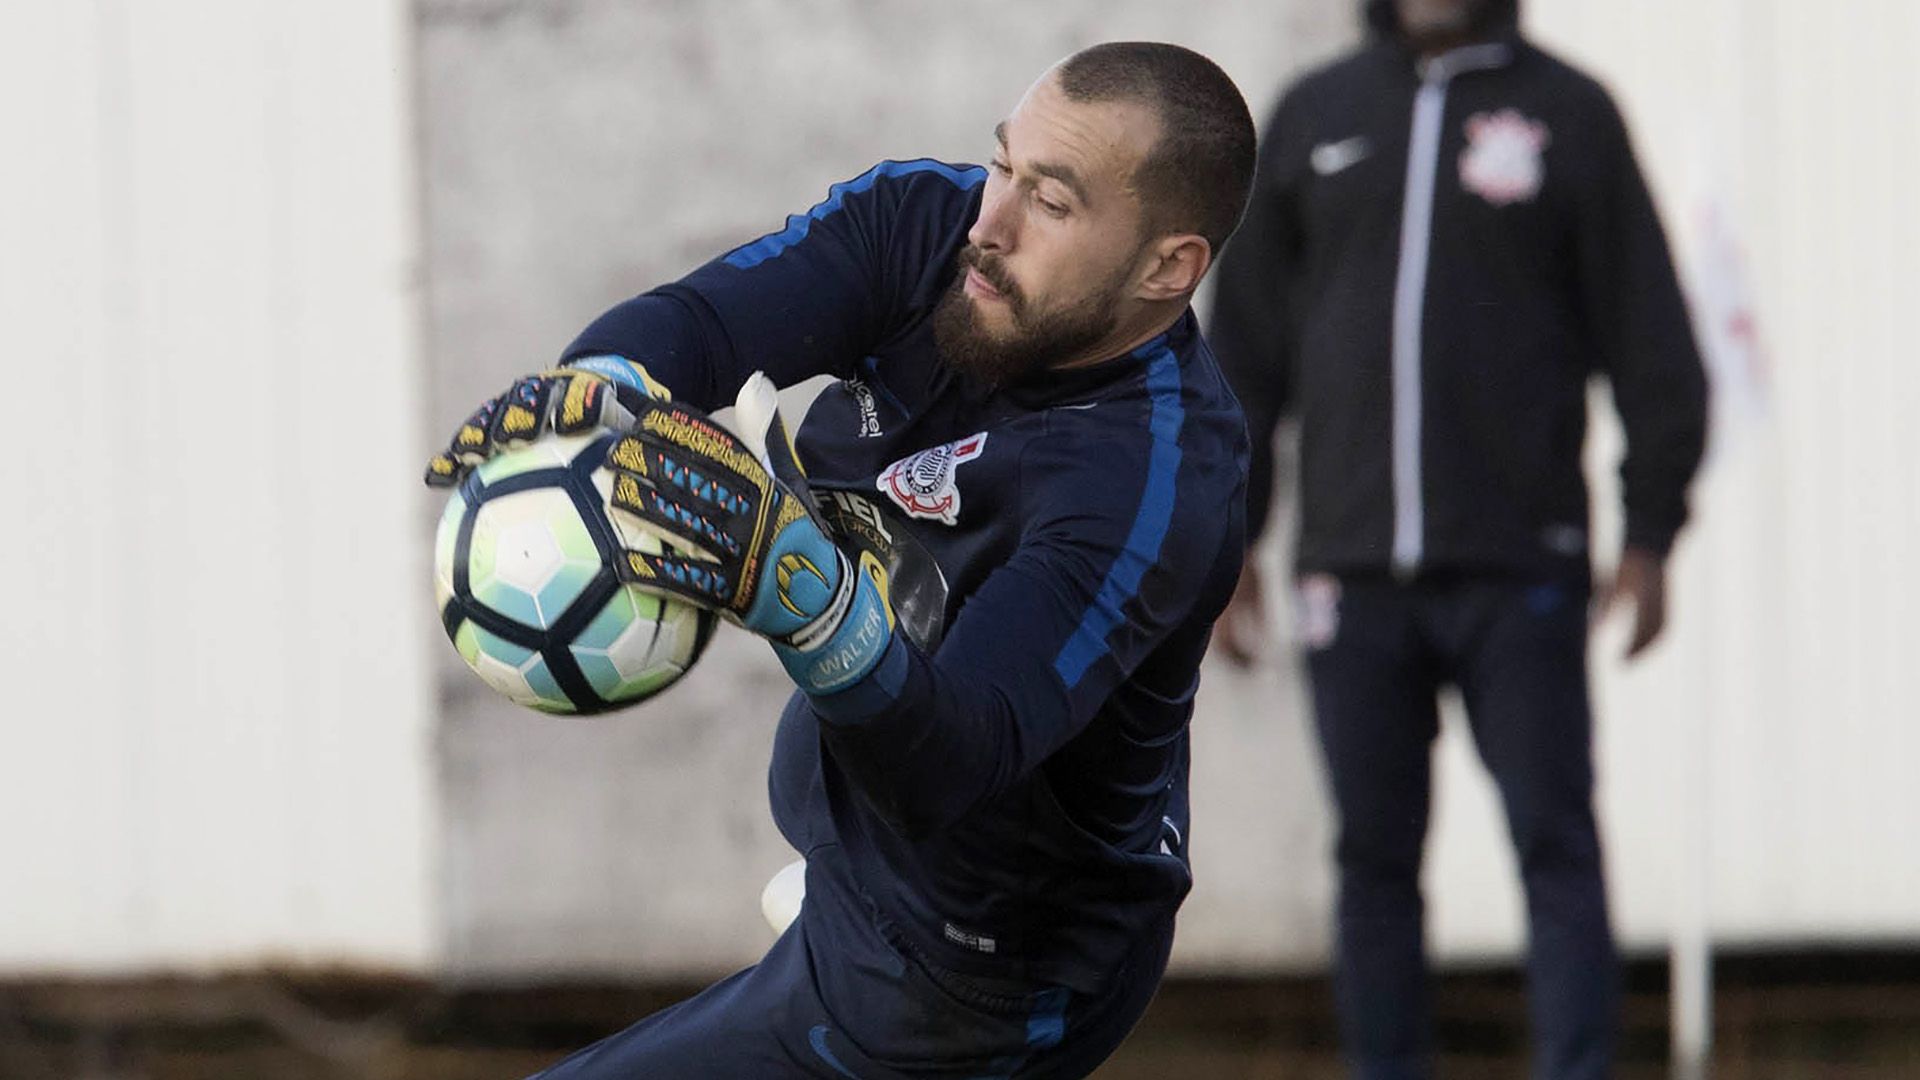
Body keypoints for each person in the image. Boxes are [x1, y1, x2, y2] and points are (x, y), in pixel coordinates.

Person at [425, 42, 1256, 1079]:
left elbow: (949, 765)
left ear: (1167, 268)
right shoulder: (928, 227)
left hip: (970, 978)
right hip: (874, 863)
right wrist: (605, 389)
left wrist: (811, 605)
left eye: (1051, 203)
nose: (991, 225)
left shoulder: (1156, 483)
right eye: (1003, 163)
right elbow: (703, 326)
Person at [1206, 1, 1708, 1077]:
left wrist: (1652, 527)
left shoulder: (1571, 113)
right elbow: (1242, 352)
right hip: (1349, 572)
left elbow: (1650, 334)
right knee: (1372, 861)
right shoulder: (1315, 114)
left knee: (1555, 843)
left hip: (1522, 566)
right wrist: (1227, 539)